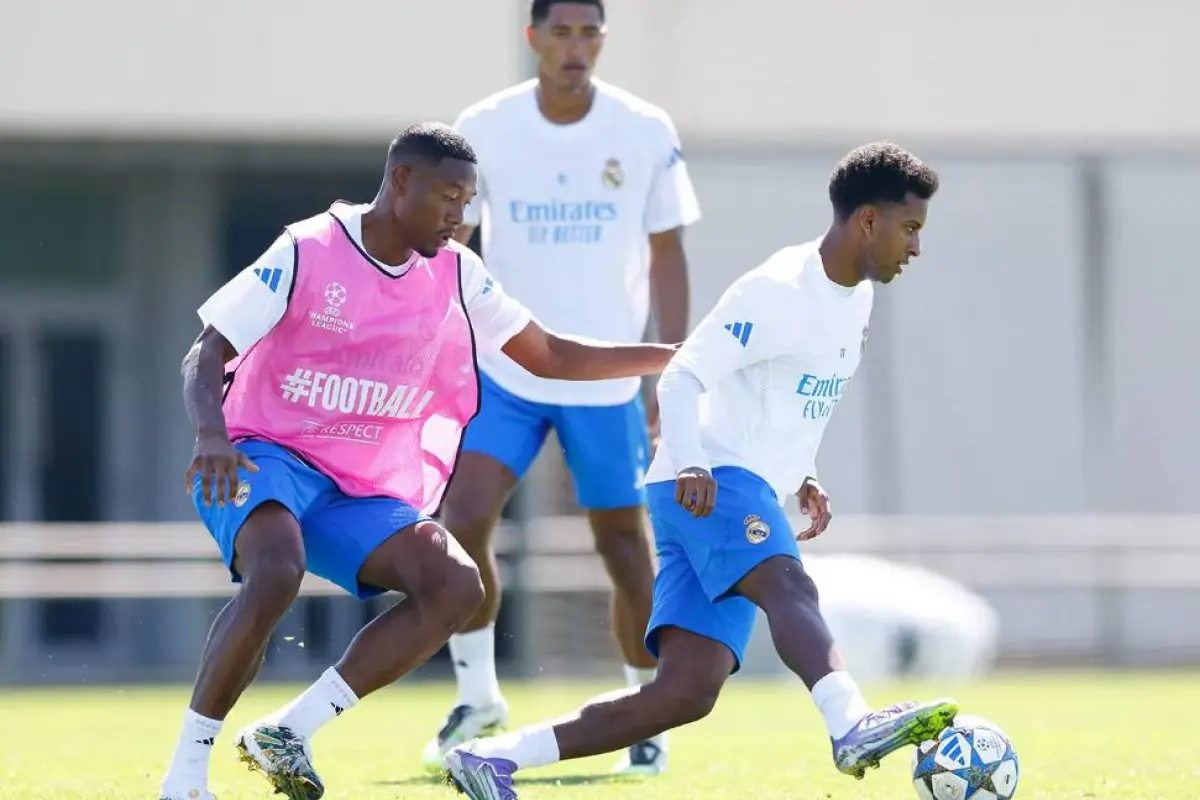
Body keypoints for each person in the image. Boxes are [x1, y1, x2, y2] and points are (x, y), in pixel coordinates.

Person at [156, 122, 679, 800]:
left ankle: (290, 728)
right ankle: (187, 771)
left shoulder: (457, 270)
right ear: (401, 182)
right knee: (276, 570)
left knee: (456, 585)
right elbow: (208, 349)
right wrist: (210, 437)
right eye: (448, 197)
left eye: (468, 202)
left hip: (354, 488)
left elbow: (550, 355)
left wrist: (673, 358)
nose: (460, 217)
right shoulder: (309, 247)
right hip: (259, 455)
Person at [442, 142, 958, 799]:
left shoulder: (855, 301)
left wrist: (804, 472)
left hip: (727, 481)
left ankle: (490, 757)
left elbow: (793, 396)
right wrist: (690, 461)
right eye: (909, 229)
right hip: (709, 475)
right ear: (866, 221)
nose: (914, 248)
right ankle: (850, 723)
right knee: (789, 587)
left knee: (686, 692)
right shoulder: (776, 290)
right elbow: (685, 374)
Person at [423, 0, 700, 778]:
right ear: (534, 37)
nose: (575, 47)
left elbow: (668, 250)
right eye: (561, 32)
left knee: (622, 546)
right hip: (506, 369)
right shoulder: (485, 124)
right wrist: (439, 348)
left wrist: (665, 363)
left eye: (589, 33)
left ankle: (645, 714)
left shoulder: (644, 129)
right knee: (462, 519)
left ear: (601, 40)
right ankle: (478, 698)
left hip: (604, 376)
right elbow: (453, 244)